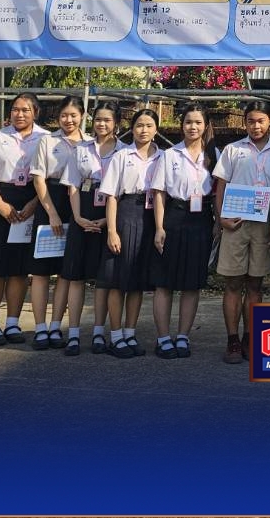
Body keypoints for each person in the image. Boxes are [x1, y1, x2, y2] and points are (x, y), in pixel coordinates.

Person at [0, 93, 45, 347]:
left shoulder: (46, 139)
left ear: (35, 112)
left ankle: (13, 322)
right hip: (0, 199)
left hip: (31, 201)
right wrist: (0, 205)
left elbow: (49, 178)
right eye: (15, 109)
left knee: (19, 269)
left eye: (25, 110)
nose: (19, 114)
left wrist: (34, 204)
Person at [213, 98, 270, 364]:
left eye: (261, 121)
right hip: (236, 220)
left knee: (255, 283)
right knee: (233, 282)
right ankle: (232, 339)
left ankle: (250, 337)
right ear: (245, 123)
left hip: (264, 222)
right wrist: (221, 219)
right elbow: (220, 186)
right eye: (251, 121)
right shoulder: (233, 150)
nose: (256, 126)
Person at [150, 103, 216, 360]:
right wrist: (159, 227)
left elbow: (219, 190)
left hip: (201, 220)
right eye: (188, 122)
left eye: (198, 122)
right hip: (174, 217)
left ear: (205, 126)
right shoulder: (170, 155)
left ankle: (183, 336)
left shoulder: (214, 154)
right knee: (164, 281)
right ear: (182, 125)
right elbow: (159, 193)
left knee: (192, 283)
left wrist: (218, 223)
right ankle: (163, 338)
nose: (193, 127)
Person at [99, 107, 163, 358]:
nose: (143, 130)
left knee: (137, 282)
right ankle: (115, 337)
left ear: (156, 129)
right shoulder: (121, 156)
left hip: (149, 219)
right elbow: (111, 196)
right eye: (139, 125)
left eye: (149, 125)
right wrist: (112, 231)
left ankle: (130, 333)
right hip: (125, 214)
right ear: (132, 128)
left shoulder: (163, 157)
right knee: (118, 281)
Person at [61, 102, 123, 356]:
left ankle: (98, 332)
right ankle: (73, 334)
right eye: (98, 119)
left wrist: (108, 222)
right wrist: (77, 217)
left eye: (107, 120)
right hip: (83, 211)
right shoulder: (81, 149)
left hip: (111, 215)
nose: (101, 124)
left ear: (116, 123)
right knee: (76, 277)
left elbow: (122, 191)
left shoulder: (124, 151)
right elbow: (72, 185)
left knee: (103, 279)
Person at [29, 97, 88, 350]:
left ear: (82, 115)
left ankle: (55, 326)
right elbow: (38, 179)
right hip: (49, 205)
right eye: (64, 115)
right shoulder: (47, 141)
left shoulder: (89, 143)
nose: (69, 120)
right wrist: (52, 214)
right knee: (41, 271)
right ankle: (40, 328)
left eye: (73, 115)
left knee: (66, 271)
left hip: (76, 205)